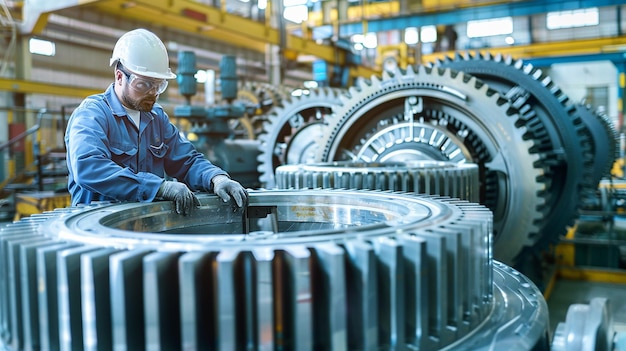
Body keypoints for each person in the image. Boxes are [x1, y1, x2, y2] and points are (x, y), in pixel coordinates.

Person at [65, 28, 248, 215]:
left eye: (159, 85)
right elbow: (88, 168)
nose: (153, 92)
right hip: (96, 228)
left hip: (144, 226)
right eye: (143, 84)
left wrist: (216, 178)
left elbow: (187, 160)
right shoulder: (92, 114)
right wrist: (159, 188)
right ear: (120, 77)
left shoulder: (156, 117)